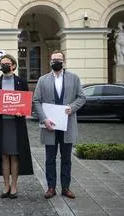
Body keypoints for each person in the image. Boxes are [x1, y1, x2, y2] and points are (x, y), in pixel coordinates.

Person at [33, 50, 86, 199]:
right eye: (54, 59)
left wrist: (72, 107)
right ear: (50, 61)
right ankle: (51, 187)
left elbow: (82, 97)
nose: (56, 62)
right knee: (50, 158)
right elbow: (36, 101)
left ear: (64, 61)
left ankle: (65, 187)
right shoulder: (42, 80)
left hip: (67, 125)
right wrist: (44, 119)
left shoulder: (74, 78)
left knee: (66, 159)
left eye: (59, 59)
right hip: (49, 126)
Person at [0, 54, 33, 199]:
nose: (4, 65)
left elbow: (26, 102)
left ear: (13, 65)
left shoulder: (21, 82)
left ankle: (14, 185)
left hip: (16, 124)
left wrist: (23, 111)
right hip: (2, 124)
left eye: (7, 63)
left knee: (15, 155)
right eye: (2, 63)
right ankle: (5, 185)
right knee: (4, 155)